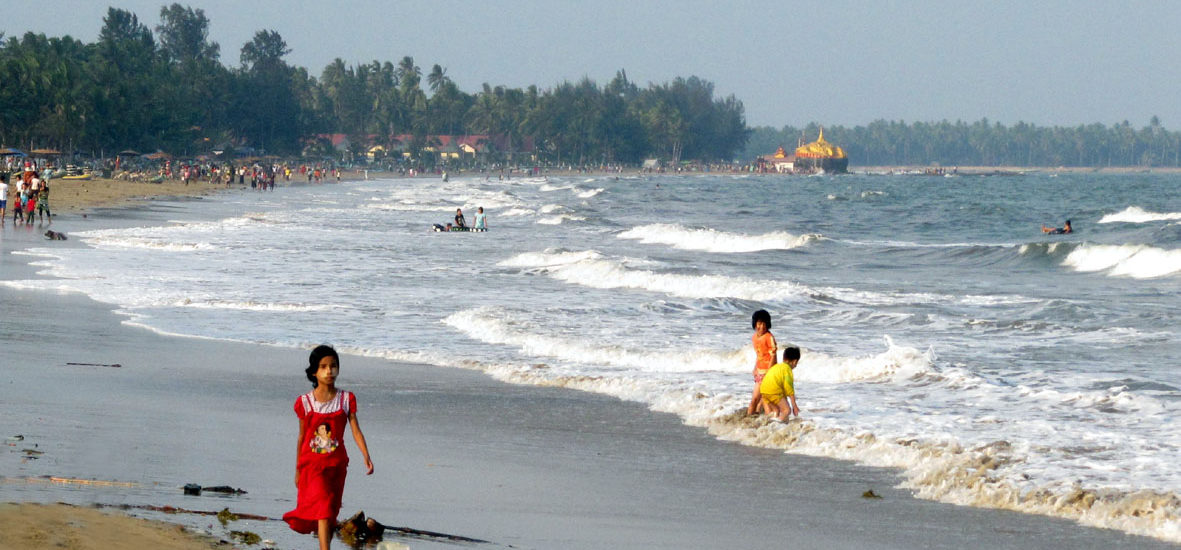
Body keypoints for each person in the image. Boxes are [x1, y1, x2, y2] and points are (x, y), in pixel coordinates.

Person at [284, 345, 374, 550]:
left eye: (333, 366)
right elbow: (302, 437)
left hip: (336, 466)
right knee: (323, 508)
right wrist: (298, 469)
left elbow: (356, 430)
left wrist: (366, 455)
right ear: (314, 372)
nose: (329, 371)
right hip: (312, 466)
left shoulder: (345, 400)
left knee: (330, 513)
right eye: (323, 367)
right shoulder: (305, 402)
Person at [747, 309, 777, 416]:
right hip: (760, 372)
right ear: (755, 324)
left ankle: (748, 420)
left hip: (768, 372)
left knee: (756, 399)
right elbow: (759, 355)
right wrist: (755, 368)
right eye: (759, 323)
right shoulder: (754, 337)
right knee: (761, 400)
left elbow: (773, 355)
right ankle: (755, 419)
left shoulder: (769, 337)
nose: (762, 326)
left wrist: (768, 373)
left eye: (764, 323)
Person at [760, 347, 801, 422]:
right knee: (787, 410)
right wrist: (794, 406)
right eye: (797, 363)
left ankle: (771, 423)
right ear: (794, 361)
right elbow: (789, 388)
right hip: (773, 391)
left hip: (764, 390)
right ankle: (776, 426)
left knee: (776, 410)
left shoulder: (777, 366)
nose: (796, 365)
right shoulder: (787, 369)